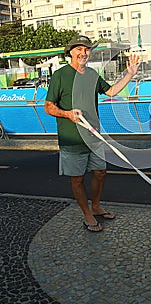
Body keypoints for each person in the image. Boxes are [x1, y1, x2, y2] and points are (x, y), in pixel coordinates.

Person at [44, 35, 140, 233]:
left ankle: (95, 206)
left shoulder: (92, 75)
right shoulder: (60, 75)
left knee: (100, 173)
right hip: (72, 139)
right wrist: (67, 114)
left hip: (94, 137)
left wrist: (129, 75)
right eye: (79, 49)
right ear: (70, 52)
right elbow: (48, 107)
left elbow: (111, 91)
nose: (83, 52)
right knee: (77, 179)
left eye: (87, 49)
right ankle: (86, 213)